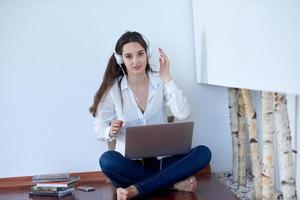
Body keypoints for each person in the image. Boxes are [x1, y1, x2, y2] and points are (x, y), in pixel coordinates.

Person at [89, 31, 212, 200]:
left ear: (147, 54)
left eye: (140, 54)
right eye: (129, 56)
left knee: (203, 153)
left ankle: (135, 189)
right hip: (130, 164)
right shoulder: (114, 90)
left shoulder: (159, 81)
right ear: (121, 60)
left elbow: (182, 113)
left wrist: (167, 77)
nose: (135, 61)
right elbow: (98, 128)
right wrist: (110, 130)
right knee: (107, 161)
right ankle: (172, 184)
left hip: (162, 160)